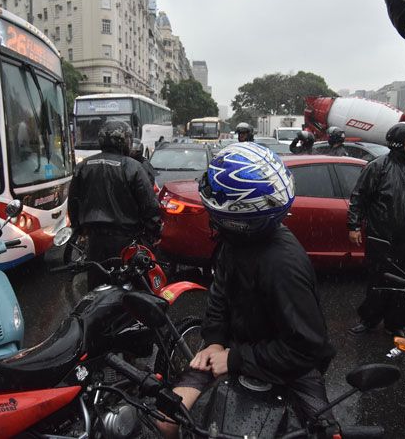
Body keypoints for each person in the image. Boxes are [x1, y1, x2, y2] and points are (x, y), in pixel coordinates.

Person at [158, 142, 335, 438]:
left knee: (323, 432)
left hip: (289, 369)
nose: (211, 216)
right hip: (230, 350)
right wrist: (214, 342)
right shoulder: (235, 242)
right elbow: (220, 294)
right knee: (166, 419)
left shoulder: (283, 265)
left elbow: (307, 348)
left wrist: (236, 358)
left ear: (240, 216)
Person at [347, 122, 405, 337]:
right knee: (379, 281)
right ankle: (369, 320)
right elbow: (359, 198)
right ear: (399, 143)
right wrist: (353, 226)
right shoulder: (378, 167)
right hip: (382, 239)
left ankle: (397, 324)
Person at [67, 120, 161, 287]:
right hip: (126, 241)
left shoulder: (83, 166)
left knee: (96, 290)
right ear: (125, 141)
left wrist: (78, 228)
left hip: (95, 242)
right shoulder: (133, 167)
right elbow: (149, 205)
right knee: (131, 289)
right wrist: (153, 232)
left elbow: (74, 202)